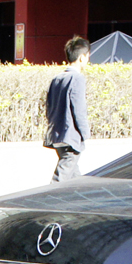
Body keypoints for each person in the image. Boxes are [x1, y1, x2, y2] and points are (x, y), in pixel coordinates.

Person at [44, 35, 91, 182]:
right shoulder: (77, 78)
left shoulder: (57, 78)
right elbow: (79, 109)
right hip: (71, 136)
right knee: (62, 177)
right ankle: (47, 200)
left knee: (75, 179)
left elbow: (49, 106)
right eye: (88, 56)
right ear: (82, 57)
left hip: (57, 134)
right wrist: (85, 133)